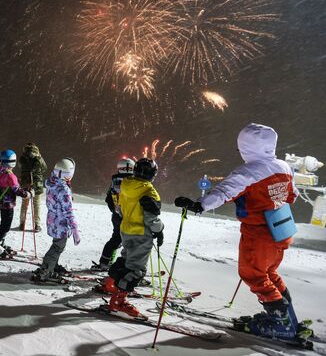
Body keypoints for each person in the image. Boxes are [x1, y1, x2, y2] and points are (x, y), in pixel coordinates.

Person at [175, 123, 300, 339]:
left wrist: (200, 205)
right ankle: (288, 317)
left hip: (258, 234)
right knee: (269, 273)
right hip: (281, 230)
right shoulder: (284, 167)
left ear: (246, 148)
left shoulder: (249, 172)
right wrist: (273, 204)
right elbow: (293, 195)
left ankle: (280, 323)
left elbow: (225, 191)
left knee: (252, 273)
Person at [100, 158, 164, 317]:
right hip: (141, 234)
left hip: (126, 230)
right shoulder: (149, 191)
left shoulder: (125, 185)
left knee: (125, 260)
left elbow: (119, 210)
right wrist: (160, 229)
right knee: (136, 269)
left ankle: (110, 284)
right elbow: (152, 219)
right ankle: (118, 301)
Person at [32, 158, 80, 283]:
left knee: (57, 244)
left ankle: (53, 265)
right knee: (58, 247)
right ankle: (47, 270)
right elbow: (68, 210)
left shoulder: (52, 183)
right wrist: (74, 228)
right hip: (61, 223)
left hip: (53, 220)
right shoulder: (63, 189)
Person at [91, 158, 136, 271]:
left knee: (116, 239)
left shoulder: (114, 181)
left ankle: (105, 261)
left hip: (117, 216)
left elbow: (108, 198)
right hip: (129, 217)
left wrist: (115, 211)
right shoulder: (133, 182)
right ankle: (128, 266)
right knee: (130, 241)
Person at [0, 149, 31, 258]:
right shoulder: (10, 175)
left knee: (4, 223)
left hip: (1, 201)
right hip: (8, 203)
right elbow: (16, 189)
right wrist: (28, 194)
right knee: (6, 226)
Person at [19, 143, 47, 232]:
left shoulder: (22, 158)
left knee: (24, 203)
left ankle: (22, 223)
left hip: (25, 182)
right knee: (37, 204)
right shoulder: (38, 158)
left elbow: (20, 167)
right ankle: (37, 225)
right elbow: (44, 168)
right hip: (37, 183)